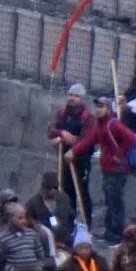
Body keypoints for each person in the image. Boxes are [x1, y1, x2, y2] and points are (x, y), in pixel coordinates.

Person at [68, 96, 136, 245]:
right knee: (110, 200)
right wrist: (74, 151)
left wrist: (118, 155)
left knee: (115, 202)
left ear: (108, 108)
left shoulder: (113, 125)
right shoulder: (100, 125)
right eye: (97, 107)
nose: (98, 110)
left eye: (101, 107)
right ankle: (109, 232)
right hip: (108, 169)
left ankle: (117, 234)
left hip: (116, 169)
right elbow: (89, 140)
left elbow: (130, 138)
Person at [49, 84, 93, 226]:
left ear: (82, 99)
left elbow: (88, 139)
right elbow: (52, 129)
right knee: (64, 192)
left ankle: (86, 224)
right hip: (63, 160)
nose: (72, 98)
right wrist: (61, 135)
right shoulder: (62, 113)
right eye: (71, 95)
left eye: (76, 96)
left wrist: (74, 149)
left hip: (80, 161)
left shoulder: (87, 118)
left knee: (81, 193)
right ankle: (66, 223)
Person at [0, 204, 55, 271]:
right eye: (20, 218)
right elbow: (0, 263)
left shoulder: (32, 234)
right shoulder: (3, 238)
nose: (23, 221)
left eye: (24, 218)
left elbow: (41, 256)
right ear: (11, 218)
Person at [25, 171, 75, 250]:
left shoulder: (64, 199)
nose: (52, 190)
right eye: (49, 187)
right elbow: (27, 223)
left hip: (64, 242)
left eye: (55, 187)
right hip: (44, 245)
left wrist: (69, 232)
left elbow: (71, 216)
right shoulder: (32, 203)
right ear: (43, 187)